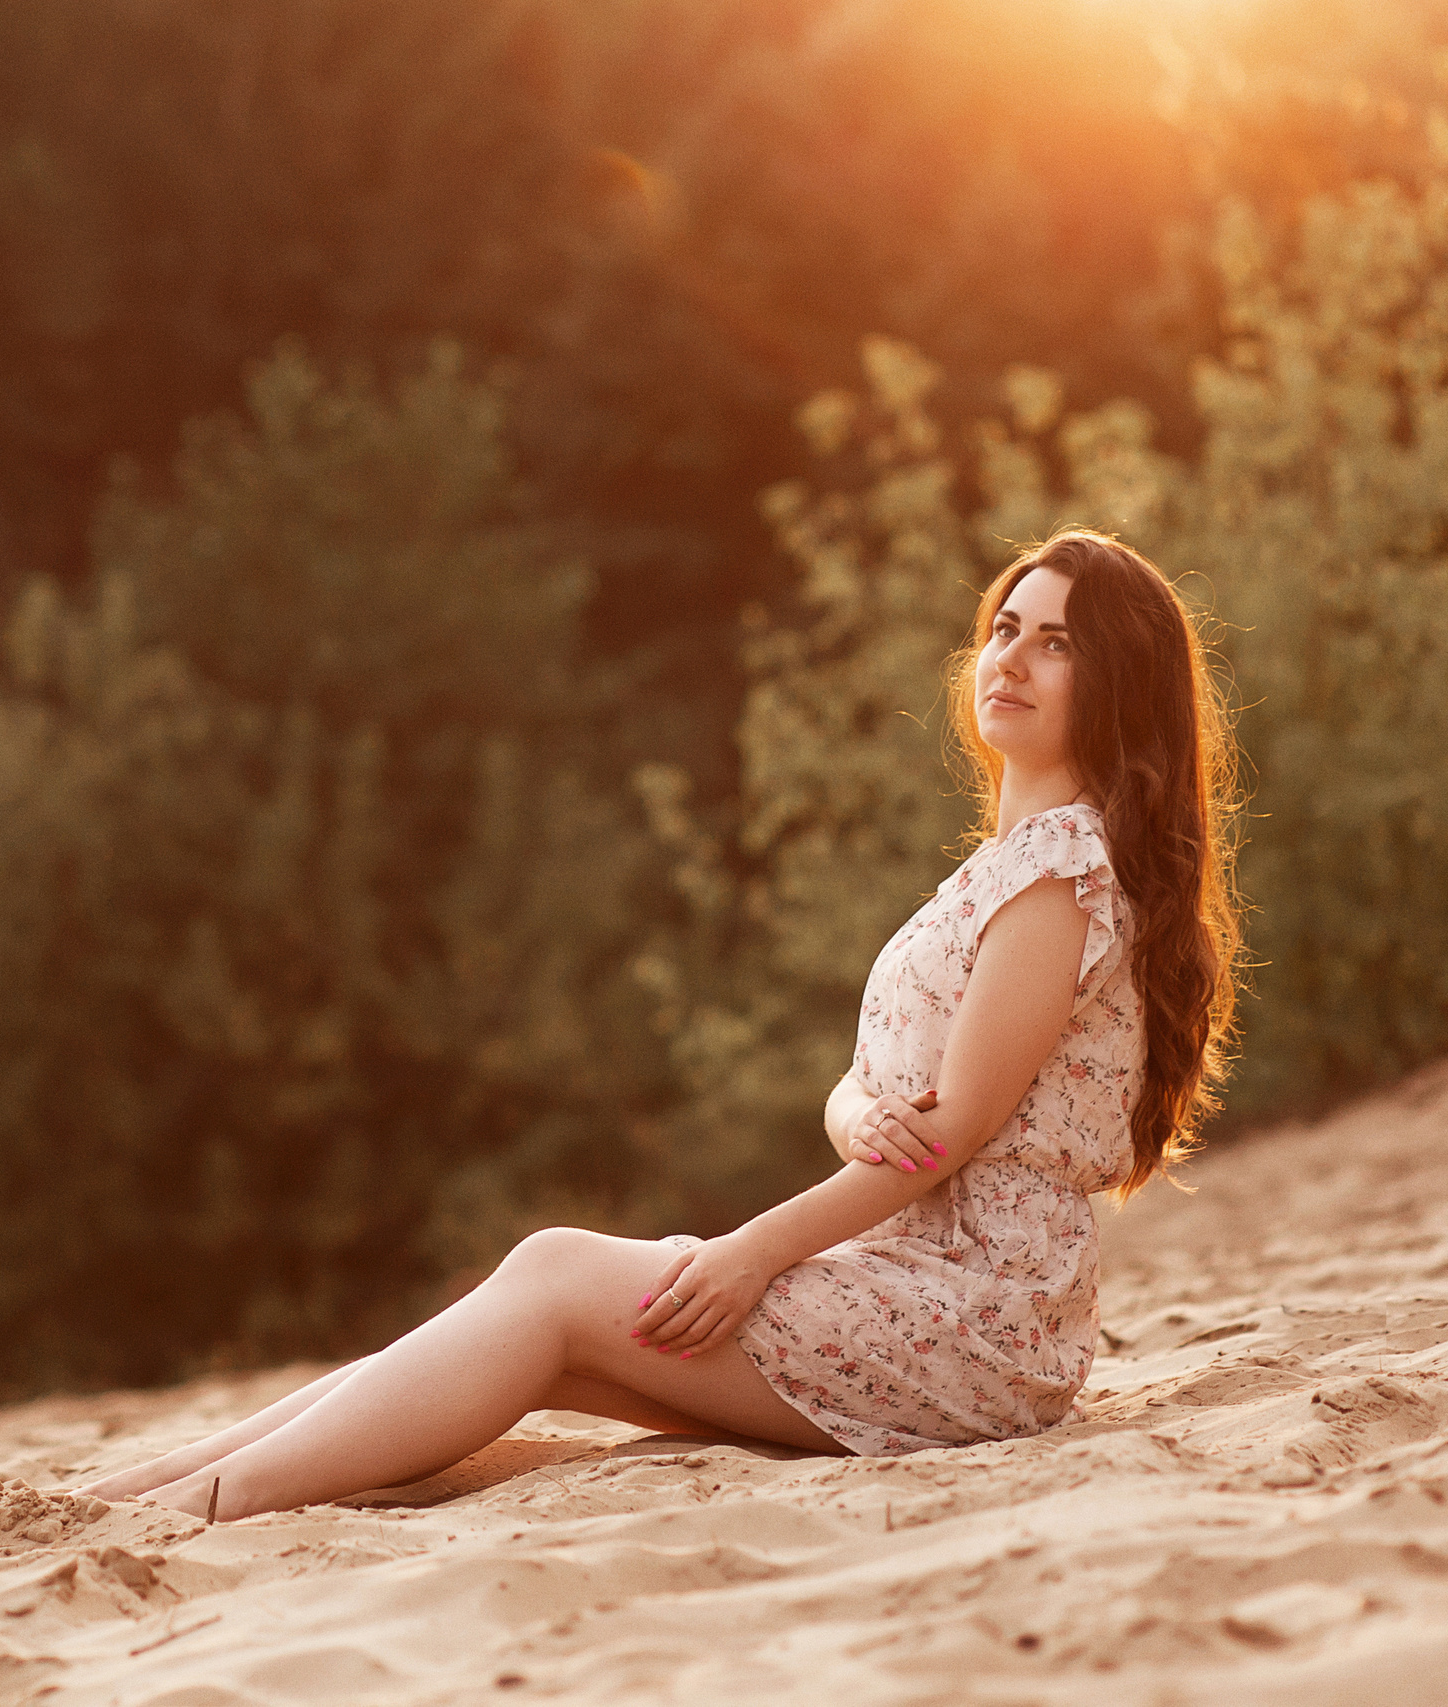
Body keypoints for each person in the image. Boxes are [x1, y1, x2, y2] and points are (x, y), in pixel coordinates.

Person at [81, 528, 1242, 1521]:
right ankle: (165, 1484)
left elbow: (950, 1134)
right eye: (1006, 628)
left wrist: (748, 1252)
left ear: (1120, 686)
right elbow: (884, 1098)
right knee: (545, 1308)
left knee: (555, 1279)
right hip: (911, 1281)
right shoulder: (1011, 868)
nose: (1014, 660)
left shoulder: (1058, 875)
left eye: (1059, 644)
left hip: (982, 1318)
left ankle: (201, 1506)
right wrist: (846, 1107)